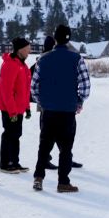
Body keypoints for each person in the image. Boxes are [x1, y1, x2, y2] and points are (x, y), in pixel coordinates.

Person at [31, 24, 90, 192]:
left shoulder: (43, 59)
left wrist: (41, 102)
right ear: (69, 38)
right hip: (67, 110)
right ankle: (63, 182)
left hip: (48, 111)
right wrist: (79, 102)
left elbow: (34, 86)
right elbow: (85, 85)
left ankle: (38, 178)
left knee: (44, 146)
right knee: (66, 149)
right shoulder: (77, 58)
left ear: (55, 39)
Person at [31, 35, 82, 171]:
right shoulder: (45, 60)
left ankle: (63, 158)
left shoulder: (44, 59)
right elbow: (34, 83)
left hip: (49, 103)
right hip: (50, 104)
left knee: (51, 135)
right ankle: (51, 160)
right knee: (52, 135)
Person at [0, 36, 32, 172]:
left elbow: (25, 89)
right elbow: (6, 91)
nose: (29, 51)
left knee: (16, 135)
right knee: (9, 134)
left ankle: (15, 162)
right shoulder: (10, 64)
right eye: (27, 48)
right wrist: (11, 112)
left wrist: (27, 107)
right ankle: (5, 163)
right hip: (10, 109)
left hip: (19, 108)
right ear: (20, 50)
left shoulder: (23, 65)